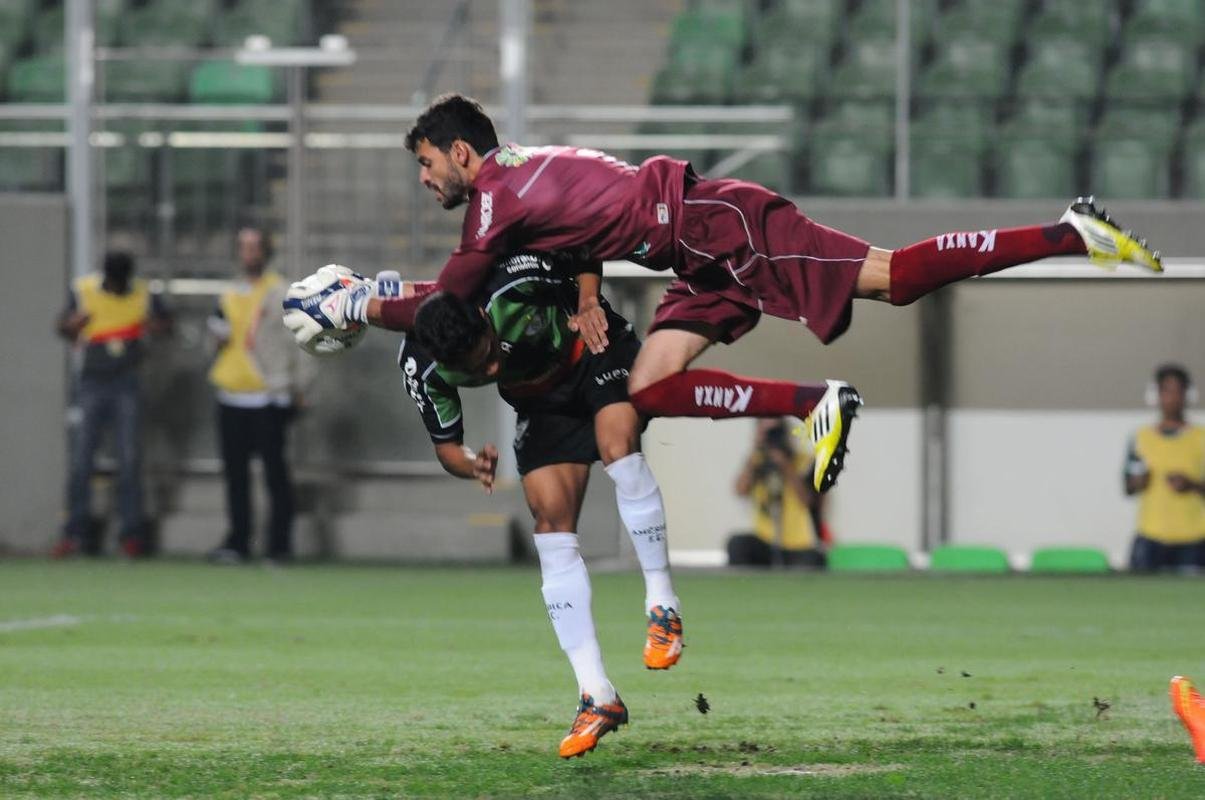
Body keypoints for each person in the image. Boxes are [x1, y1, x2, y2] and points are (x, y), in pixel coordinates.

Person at [283, 93, 1163, 495]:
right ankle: (818, 404)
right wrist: (586, 292)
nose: (425, 180)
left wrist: (359, 302)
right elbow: (530, 252)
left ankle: (1066, 233)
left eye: (427, 164)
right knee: (645, 390)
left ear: (460, 152)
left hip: (716, 226)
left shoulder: (495, 199)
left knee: (892, 279)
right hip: (689, 255)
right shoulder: (512, 183)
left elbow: (456, 305)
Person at [378, 250, 681, 758]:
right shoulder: (423, 368)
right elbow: (446, 447)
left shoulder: (507, 279)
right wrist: (472, 463)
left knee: (617, 450)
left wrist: (587, 300)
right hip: (541, 399)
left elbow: (583, 250)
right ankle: (596, 694)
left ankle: (662, 604)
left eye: (490, 352)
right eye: (480, 370)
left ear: (481, 318)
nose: (493, 365)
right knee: (550, 525)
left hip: (594, 351)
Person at [53, 250, 170, 558]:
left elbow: (166, 325)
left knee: (130, 460)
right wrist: (73, 324)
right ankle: (74, 533)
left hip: (127, 382)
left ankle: (131, 536)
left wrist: (154, 326)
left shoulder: (143, 293)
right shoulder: (85, 290)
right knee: (82, 461)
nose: (117, 288)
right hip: (92, 382)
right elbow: (62, 328)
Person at [207, 227, 310, 564]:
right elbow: (219, 336)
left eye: (254, 247)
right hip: (231, 393)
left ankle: (279, 544)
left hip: (268, 395)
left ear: (266, 251)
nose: (248, 253)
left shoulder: (281, 291)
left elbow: (300, 342)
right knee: (235, 475)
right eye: (243, 247)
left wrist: (299, 387)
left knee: (275, 473)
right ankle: (238, 541)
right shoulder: (229, 293)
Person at [1123, 364, 1204, 572]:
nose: (1172, 398)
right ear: (1156, 395)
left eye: (1178, 391)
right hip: (1151, 537)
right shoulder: (1141, 438)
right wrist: (1139, 482)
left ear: (1188, 395)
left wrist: (1192, 485)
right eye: (1166, 391)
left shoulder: (1200, 438)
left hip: (1194, 538)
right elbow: (1128, 486)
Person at [728, 418, 826, 568]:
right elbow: (740, 490)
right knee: (737, 544)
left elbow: (808, 501)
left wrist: (786, 466)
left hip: (798, 544)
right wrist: (755, 454)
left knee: (814, 561)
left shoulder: (803, 461)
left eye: (775, 432)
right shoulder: (756, 461)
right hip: (765, 540)